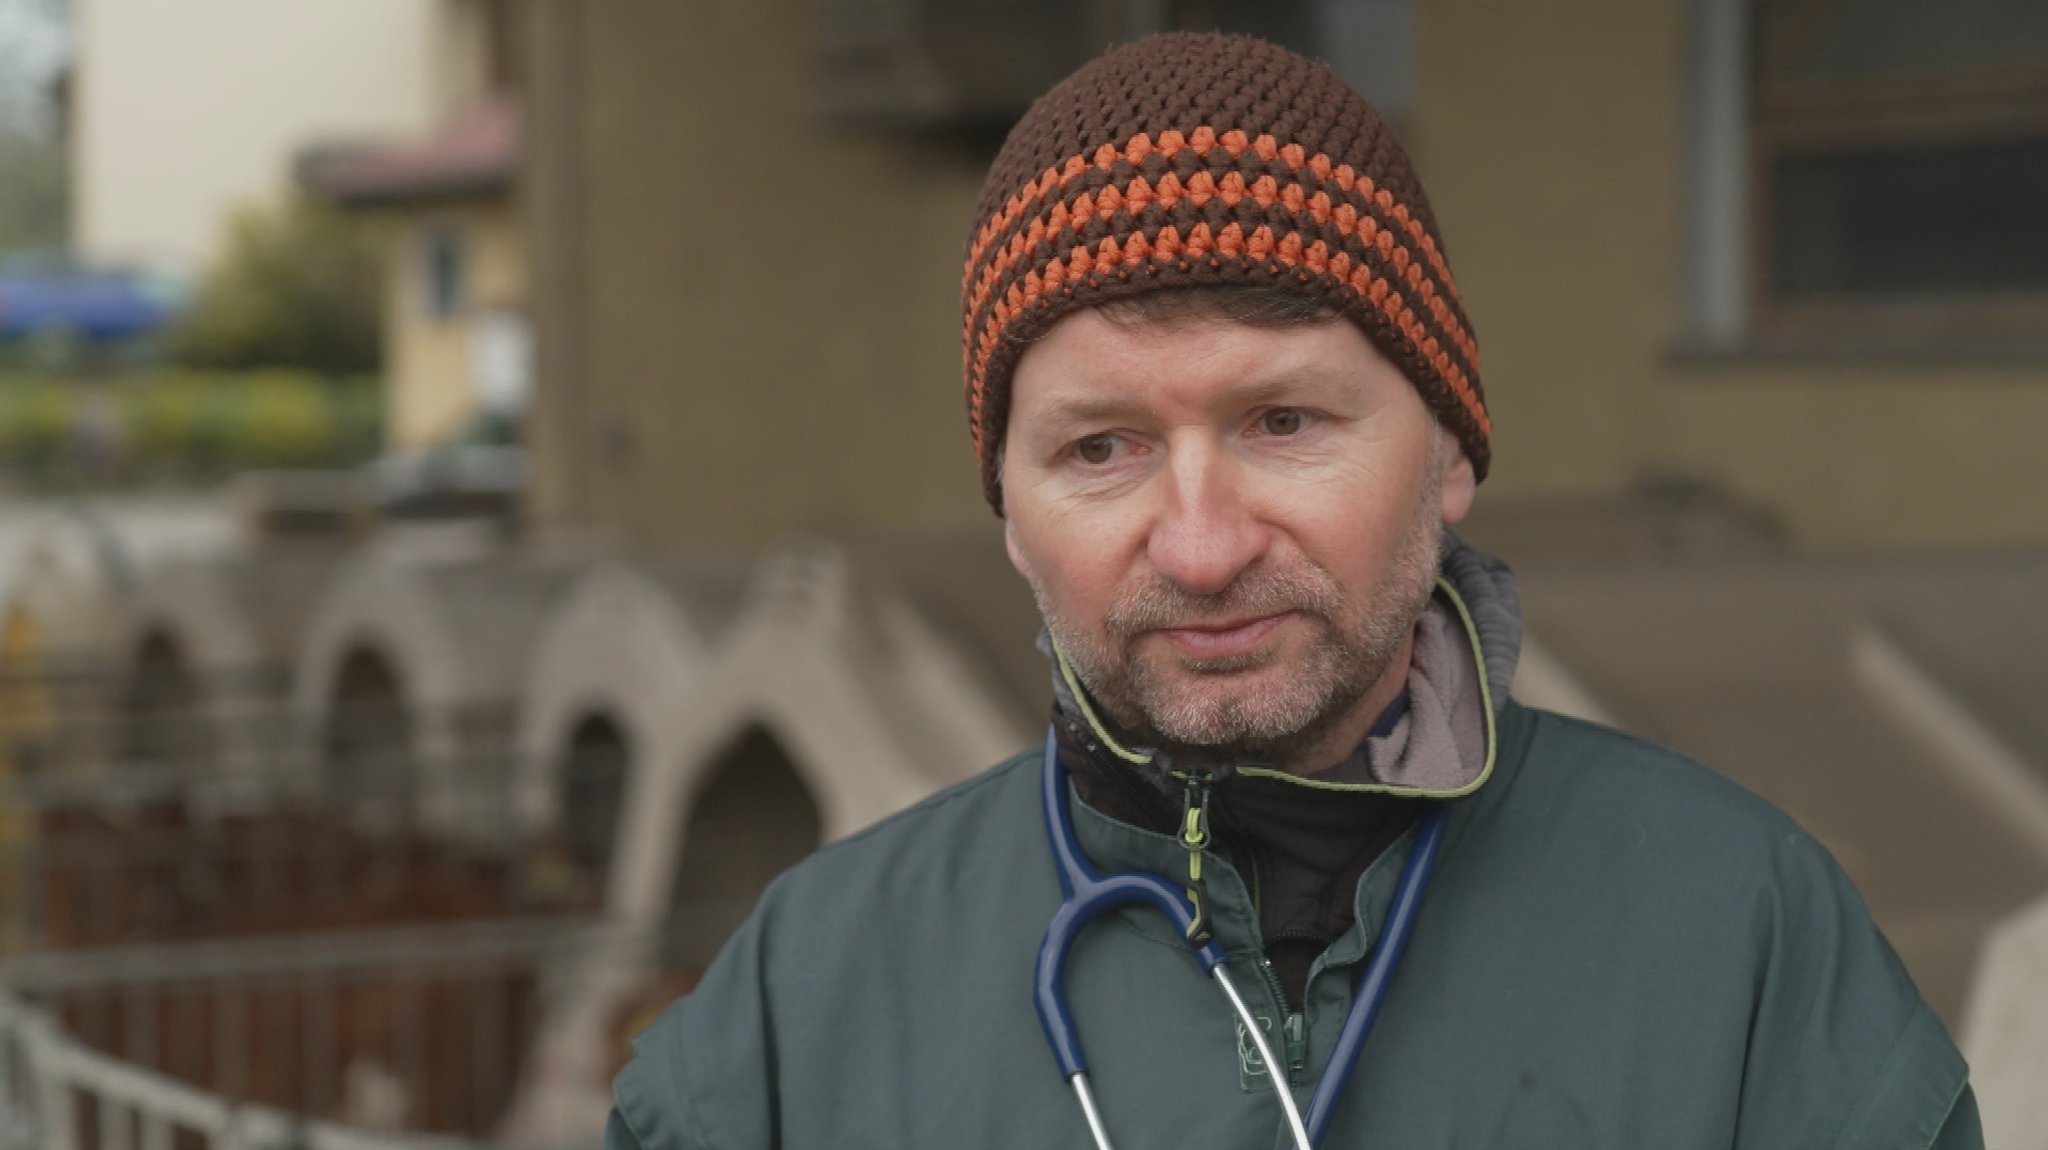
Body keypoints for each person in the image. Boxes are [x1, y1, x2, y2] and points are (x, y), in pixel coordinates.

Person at [607, 32, 1980, 1149]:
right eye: (1102, 448)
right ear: (1011, 517)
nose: (1202, 546)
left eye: (1285, 423)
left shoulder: (1738, 935)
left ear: (1449, 454)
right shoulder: (805, 1004)